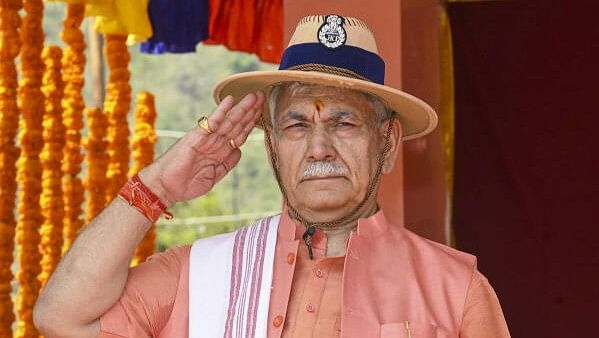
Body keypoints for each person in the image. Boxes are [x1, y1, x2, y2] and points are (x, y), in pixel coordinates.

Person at [34, 14, 510, 337]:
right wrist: (156, 189)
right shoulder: (201, 274)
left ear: (385, 142)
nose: (319, 147)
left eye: (344, 122)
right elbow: (60, 319)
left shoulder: (454, 288)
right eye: (297, 125)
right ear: (273, 146)